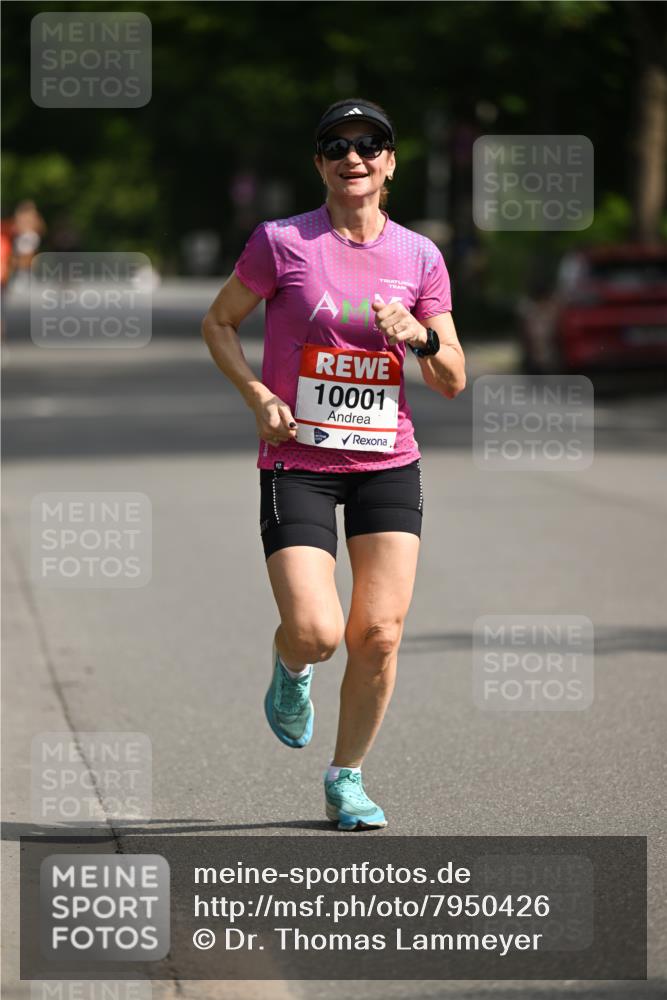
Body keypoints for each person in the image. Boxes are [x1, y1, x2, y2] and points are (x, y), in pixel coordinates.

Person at [202, 98, 466, 831]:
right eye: (336, 145)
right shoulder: (281, 241)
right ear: (318, 162)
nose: (354, 157)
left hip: (387, 460)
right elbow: (218, 321)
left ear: (389, 162)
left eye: (369, 144)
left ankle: (345, 779)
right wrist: (256, 393)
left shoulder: (419, 257)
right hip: (298, 461)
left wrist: (418, 335)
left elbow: (452, 378)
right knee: (319, 632)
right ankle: (291, 668)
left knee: (378, 634)